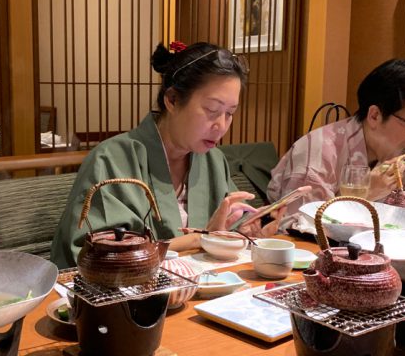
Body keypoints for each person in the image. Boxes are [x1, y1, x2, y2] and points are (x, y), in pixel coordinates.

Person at [51, 41, 280, 270]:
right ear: (172, 100)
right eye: (212, 110)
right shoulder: (111, 159)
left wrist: (247, 230)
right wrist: (198, 239)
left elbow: (224, 230)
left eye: (229, 113)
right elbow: (100, 257)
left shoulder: (213, 160)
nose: (221, 126)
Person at [268, 58, 405, 231]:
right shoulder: (321, 150)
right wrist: (366, 193)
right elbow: (297, 225)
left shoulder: (403, 154)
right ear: (374, 116)